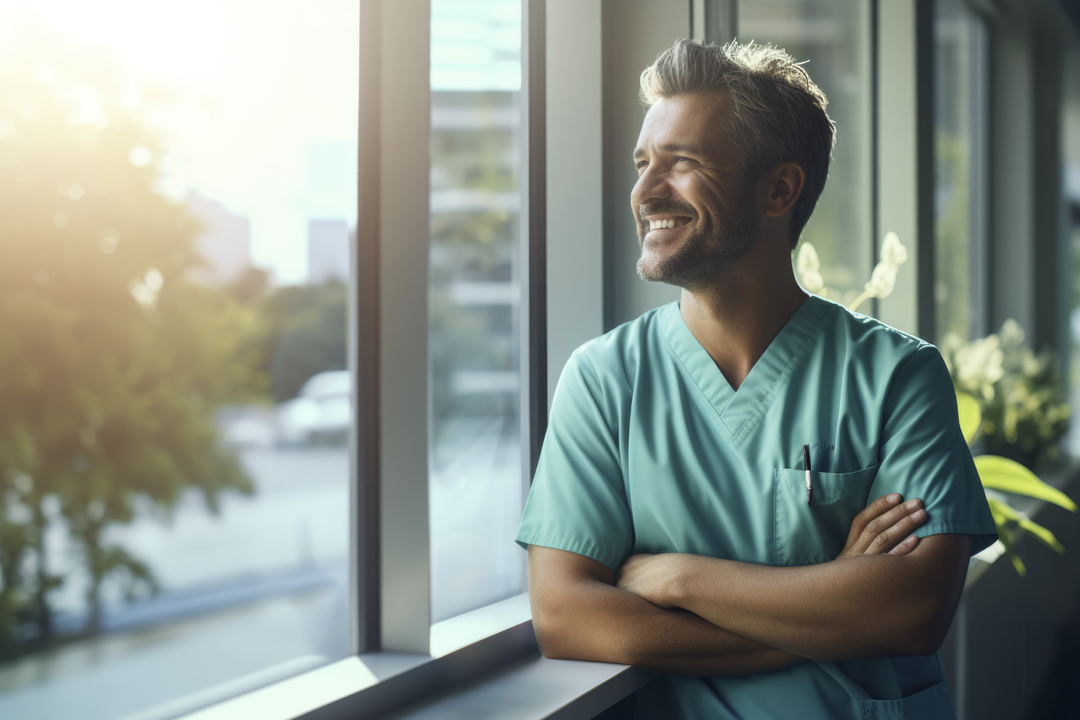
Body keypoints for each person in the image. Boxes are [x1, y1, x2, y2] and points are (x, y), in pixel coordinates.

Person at [515, 39, 997, 719]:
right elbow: (567, 617)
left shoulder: (897, 376)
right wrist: (832, 603)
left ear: (779, 188)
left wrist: (675, 576)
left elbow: (912, 611)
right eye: (644, 163)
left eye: (682, 163)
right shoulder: (603, 381)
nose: (646, 192)